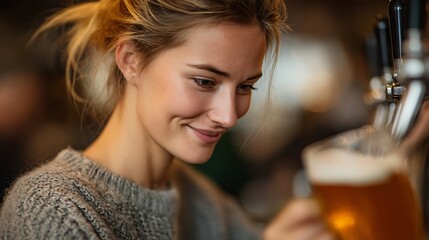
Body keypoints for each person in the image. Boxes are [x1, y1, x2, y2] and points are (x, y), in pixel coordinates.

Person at [0, 0, 336, 239]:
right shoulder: (51, 207)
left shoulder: (197, 197)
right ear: (131, 60)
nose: (229, 115)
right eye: (205, 81)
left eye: (245, 86)